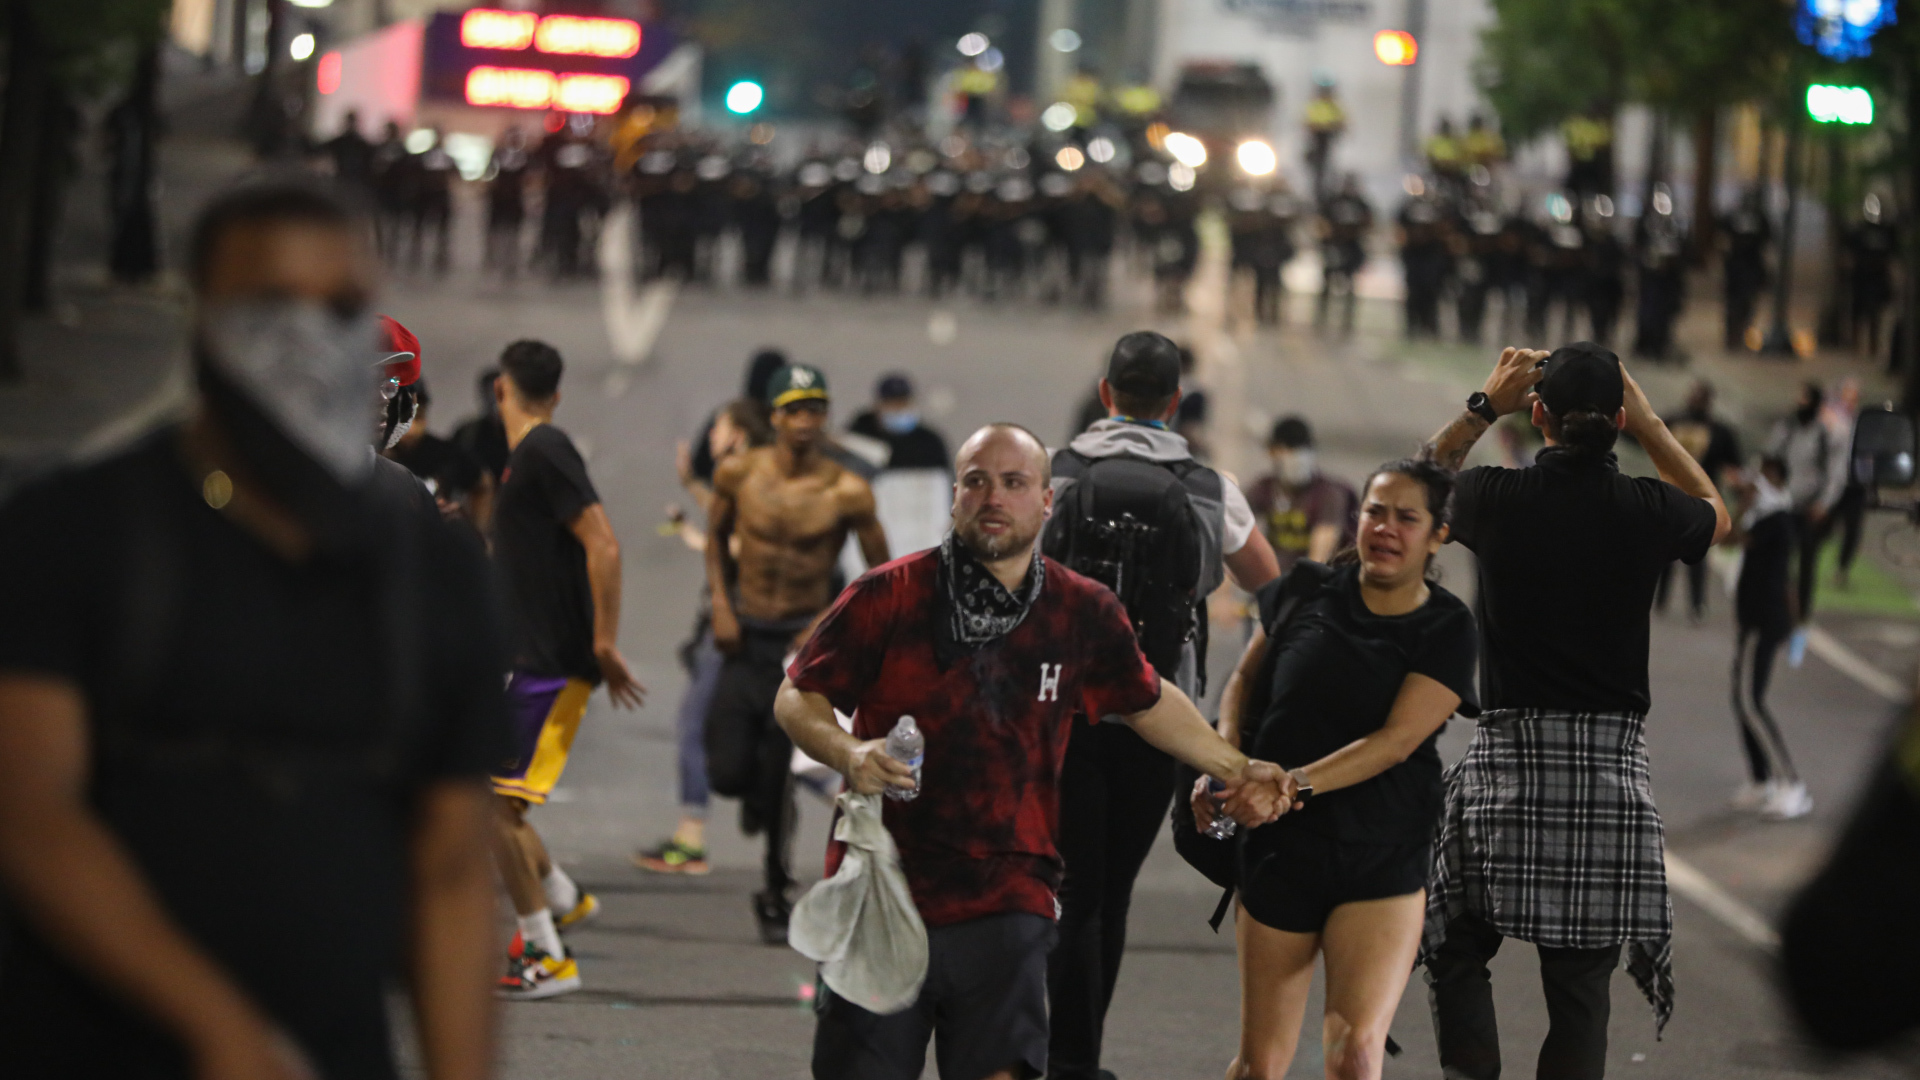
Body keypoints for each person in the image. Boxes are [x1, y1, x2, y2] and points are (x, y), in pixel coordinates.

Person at [0, 178, 506, 1079]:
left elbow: (452, 874)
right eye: (270, 304)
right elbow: (32, 814)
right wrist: (218, 1028)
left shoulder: (433, 569)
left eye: (341, 306)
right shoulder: (73, 530)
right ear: (200, 315)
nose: (308, 337)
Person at [774, 423, 1291, 1080]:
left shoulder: (1081, 611)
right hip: (884, 891)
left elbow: (1148, 699)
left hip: (1008, 901)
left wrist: (1235, 766)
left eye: (1014, 483)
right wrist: (848, 753)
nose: (994, 497)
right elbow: (797, 697)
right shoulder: (891, 593)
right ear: (954, 496)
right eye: (976, 481)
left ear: (1047, 502)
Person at [1419, 343, 1730, 1080]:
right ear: (1618, 421)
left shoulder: (1493, 497)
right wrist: (1654, 429)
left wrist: (1479, 407)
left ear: (1538, 416)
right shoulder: (1649, 508)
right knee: (1580, 994)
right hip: (1609, 782)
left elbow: (1411, 490)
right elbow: (1719, 516)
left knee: (1454, 942)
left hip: (1507, 770)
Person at [1043, 332, 1281, 1080]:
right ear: (1175, 402)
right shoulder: (1210, 487)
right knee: (1111, 894)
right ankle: (1083, 1058)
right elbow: (1269, 589)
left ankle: (1066, 1061)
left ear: (1106, 393)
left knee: (1069, 889)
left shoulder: (1052, 472)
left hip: (1059, 713)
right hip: (1160, 715)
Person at [1197, 459, 1479, 1080]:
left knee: (1352, 1052)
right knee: (1259, 1064)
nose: (1386, 528)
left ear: (1437, 536)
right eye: (1376, 511)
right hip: (1281, 849)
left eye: (1408, 518)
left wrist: (1289, 783)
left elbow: (1396, 741)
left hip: (1379, 853)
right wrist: (1229, 768)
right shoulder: (1306, 589)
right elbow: (1245, 682)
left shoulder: (1447, 627)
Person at [706, 363, 890, 944]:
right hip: (745, 632)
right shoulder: (739, 474)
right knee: (728, 767)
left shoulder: (846, 490)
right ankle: (756, 805)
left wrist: (822, 625)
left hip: (800, 650)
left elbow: (879, 574)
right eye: (794, 410)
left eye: (815, 410)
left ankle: (773, 884)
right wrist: (721, 602)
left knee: (776, 771)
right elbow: (714, 537)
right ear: (775, 417)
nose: (806, 422)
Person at [488, 339, 647, 999]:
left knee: (492, 810)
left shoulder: (546, 451)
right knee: (498, 804)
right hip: (530, 659)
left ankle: (547, 955)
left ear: (502, 389)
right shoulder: (529, 458)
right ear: (553, 392)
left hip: (549, 665)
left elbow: (603, 544)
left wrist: (604, 642)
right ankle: (560, 896)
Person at [634, 398, 773, 876]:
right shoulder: (750, 473)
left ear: (738, 434)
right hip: (739, 621)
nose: (711, 435)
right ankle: (874, 806)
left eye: (719, 427)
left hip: (735, 622)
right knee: (780, 736)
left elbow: (744, 543)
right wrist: (691, 486)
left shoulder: (749, 475)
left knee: (696, 725)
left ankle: (691, 837)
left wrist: (697, 541)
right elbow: (725, 518)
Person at [1729, 456, 1812, 819]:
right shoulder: (1768, 517)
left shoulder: (1777, 518)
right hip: (1758, 620)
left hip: (1764, 620)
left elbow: (1731, 538)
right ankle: (1762, 780)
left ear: (1775, 478)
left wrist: (1745, 501)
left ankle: (1791, 785)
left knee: (1751, 701)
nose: (1755, 478)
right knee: (1742, 698)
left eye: (1762, 473)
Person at [1656, 380, 1741, 620]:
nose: (1695, 399)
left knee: (1696, 553)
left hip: (1699, 499)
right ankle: (1660, 601)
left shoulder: (1719, 431)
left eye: (1700, 396)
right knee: (1665, 553)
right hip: (1670, 494)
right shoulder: (1672, 421)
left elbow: (1733, 464)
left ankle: (1696, 604)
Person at [1767, 382, 1847, 640]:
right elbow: (1769, 459)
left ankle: (1801, 616)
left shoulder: (1825, 435)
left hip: (1809, 509)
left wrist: (1823, 503)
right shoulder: (1786, 429)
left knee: (1807, 564)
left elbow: (1836, 475)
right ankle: (1779, 611)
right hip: (1783, 505)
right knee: (1778, 560)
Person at [1245, 416, 1358, 574]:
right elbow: (1234, 535)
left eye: (1301, 450)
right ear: (1272, 452)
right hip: (1278, 580)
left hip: (1322, 583)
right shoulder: (1263, 489)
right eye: (1288, 450)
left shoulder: (1329, 494)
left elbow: (1320, 553)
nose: (1296, 457)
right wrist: (1224, 594)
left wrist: (1303, 589)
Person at [386, 378, 492, 529]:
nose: (411, 429)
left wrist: (478, 530)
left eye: (418, 416)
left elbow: (483, 483)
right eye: (402, 418)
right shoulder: (376, 456)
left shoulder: (443, 453)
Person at [848, 372, 951, 471]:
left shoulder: (929, 442)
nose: (898, 409)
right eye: (892, 404)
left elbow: (943, 477)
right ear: (878, 406)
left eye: (903, 403)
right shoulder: (858, 437)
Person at [452, 368, 510, 484]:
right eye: (490, 394)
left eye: (499, 394)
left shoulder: (523, 434)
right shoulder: (466, 434)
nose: (494, 401)